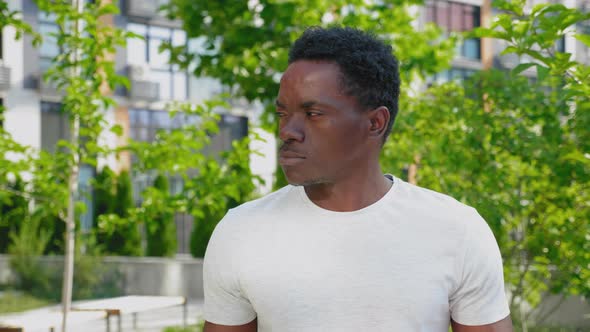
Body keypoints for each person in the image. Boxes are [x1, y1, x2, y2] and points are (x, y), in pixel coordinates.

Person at [202, 27, 512, 332]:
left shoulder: (457, 231)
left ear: (375, 122)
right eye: (283, 114)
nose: (287, 132)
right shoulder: (241, 233)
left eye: (313, 114)